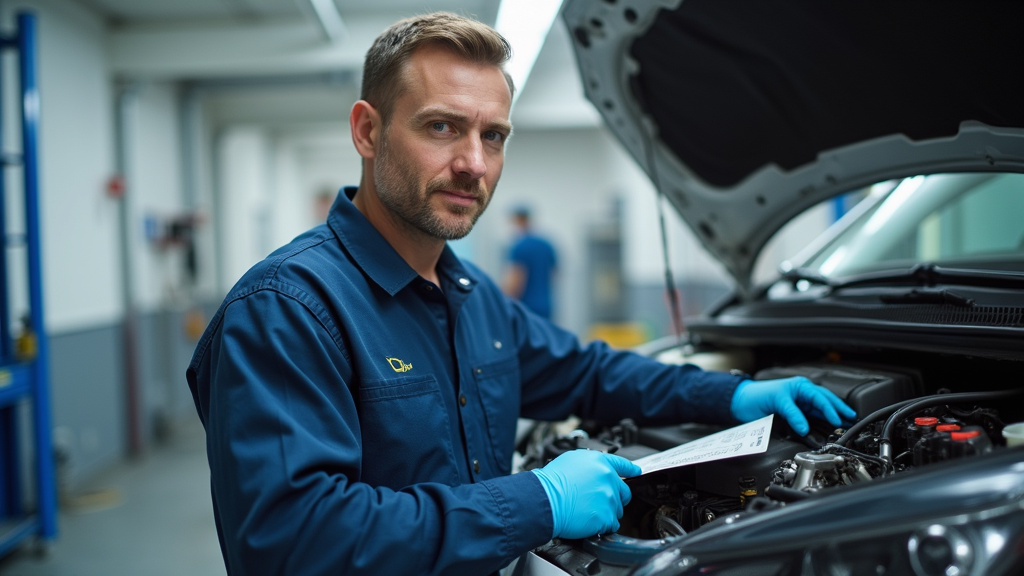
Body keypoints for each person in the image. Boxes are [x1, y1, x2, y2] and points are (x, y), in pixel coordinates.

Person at [186, 12, 856, 576]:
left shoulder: (469, 296)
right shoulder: (287, 309)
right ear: (367, 130)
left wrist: (733, 395)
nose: (474, 163)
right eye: (442, 127)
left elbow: (589, 372)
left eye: (493, 135)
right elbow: (294, 542)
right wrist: (537, 501)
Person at [502, 207, 557, 319]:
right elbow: (554, 275)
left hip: (525, 309)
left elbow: (515, 281)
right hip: (546, 306)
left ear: (518, 220)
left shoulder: (520, 246)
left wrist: (501, 303)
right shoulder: (546, 245)